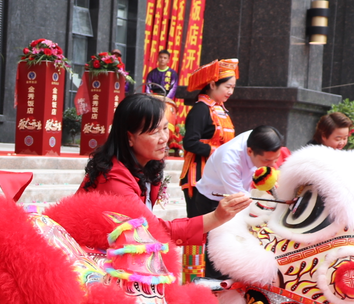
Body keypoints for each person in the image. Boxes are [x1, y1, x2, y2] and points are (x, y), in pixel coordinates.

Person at [80, 93, 249, 264]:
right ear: (129, 137)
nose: (164, 139)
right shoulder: (114, 180)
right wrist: (216, 217)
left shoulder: (145, 166)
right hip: (92, 262)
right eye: (154, 132)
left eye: (165, 128)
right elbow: (152, 229)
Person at [191, 125, 285, 278]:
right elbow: (240, 199)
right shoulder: (229, 158)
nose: (272, 165)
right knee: (218, 250)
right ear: (250, 151)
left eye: (275, 159)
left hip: (237, 196)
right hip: (213, 200)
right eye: (267, 160)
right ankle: (218, 288)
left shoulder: (257, 139)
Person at [178, 59, 238, 281]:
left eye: (232, 88)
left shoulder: (221, 110)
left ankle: (214, 276)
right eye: (227, 87)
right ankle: (193, 278)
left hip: (216, 179)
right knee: (197, 229)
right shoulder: (200, 110)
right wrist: (218, 152)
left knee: (216, 229)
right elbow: (190, 143)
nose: (230, 92)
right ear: (212, 84)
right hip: (198, 177)